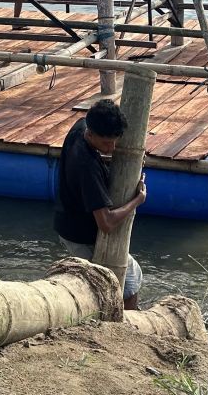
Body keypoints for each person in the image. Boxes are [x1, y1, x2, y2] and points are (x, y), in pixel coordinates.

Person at [54, 99, 146, 310]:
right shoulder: (86, 166)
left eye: (115, 141)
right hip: (80, 234)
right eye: (106, 143)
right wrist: (137, 200)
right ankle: (124, 319)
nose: (112, 148)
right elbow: (106, 223)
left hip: (67, 219)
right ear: (91, 134)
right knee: (127, 281)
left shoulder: (80, 126)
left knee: (122, 279)